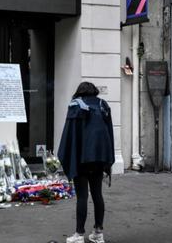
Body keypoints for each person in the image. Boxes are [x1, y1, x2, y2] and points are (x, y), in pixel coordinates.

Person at [58, 82, 115, 243]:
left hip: (81, 159)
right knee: (98, 194)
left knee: (82, 196)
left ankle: (79, 234)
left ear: (80, 92)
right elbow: (109, 132)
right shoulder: (103, 105)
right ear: (94, 91)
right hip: (99, 158)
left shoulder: (75, 105)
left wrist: (66, 155)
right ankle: (98, 233)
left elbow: (69, 134)